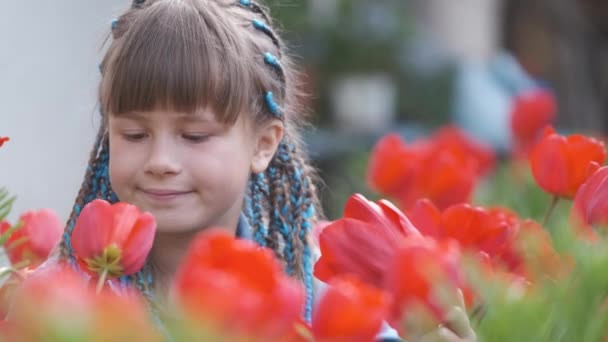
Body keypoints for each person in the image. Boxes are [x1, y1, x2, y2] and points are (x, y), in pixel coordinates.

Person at [51, 0, 475, 340]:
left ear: (263, 144)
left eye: (195, 136)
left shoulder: (320, 291)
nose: (160, 160)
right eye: (135, 135)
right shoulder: (65, 297)